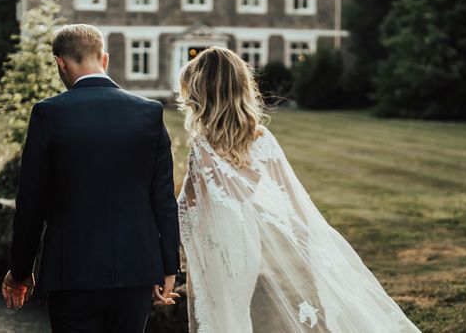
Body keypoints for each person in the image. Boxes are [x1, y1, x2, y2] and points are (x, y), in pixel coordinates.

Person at [176, 46, 422, 333]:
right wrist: (309, 243)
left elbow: (188, 208)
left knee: (222, 319)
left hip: (220, 247)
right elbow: (290, 199)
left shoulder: (202, 147)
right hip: (246, 246)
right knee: (236, 313)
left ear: (202, 94)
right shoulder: (261, 138)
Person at [1, 24, 180, 332]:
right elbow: (163, 199)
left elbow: (31, 202)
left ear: (60, 63)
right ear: (104, 59)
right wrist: (168, 266)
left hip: (72, 274)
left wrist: (20, 271)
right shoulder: (149, 112)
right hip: (135, 272)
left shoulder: (49, 113)